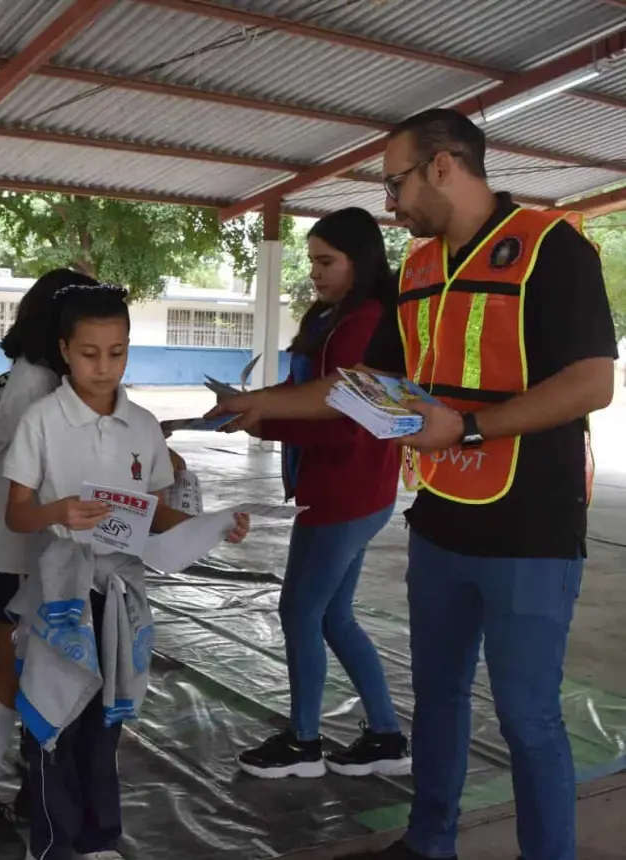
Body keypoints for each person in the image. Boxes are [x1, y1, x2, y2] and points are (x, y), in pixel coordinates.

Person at [211, 109, 615, 860]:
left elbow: (593, 383)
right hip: (440, 520)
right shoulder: (422, 270)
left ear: (443, 165)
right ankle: (428, 843)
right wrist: (260, 403)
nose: (390, 204)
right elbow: (366, 383)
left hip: (532, 528)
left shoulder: (550, 247)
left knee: (529, 718)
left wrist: (464, 428)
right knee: (438, 698)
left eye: (394, 182)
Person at [4, 283, 250, 860]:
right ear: (65, 350)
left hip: (120, 592)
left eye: (117, 352)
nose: (104, 366)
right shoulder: (42, 421)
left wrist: (215, 525)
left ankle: (98, 838)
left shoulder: (141, 425)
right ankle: (53, 843)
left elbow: (158, 510)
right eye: (90, 353)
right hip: (59, 592)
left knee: (105, 721)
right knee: (52, 720)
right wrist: (58, 511)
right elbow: (17, 514)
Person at [229, 208, 409, 781]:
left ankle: (304, 741)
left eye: (326, 261)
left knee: (300, 610)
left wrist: (264, 421)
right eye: (311, 260)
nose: (315, 271)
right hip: (346, 488)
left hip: (347, 488)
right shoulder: (331, 316)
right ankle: (385, 734)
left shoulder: (367, 322)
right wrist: (250, 403)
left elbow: (344, 416)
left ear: (361, 260)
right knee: (333, 616)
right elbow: (302, 390)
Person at [0, 269, 97, 858]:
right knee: (8, 669)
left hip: (45, 548)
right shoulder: (34, 383)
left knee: (31, 669)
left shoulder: (58, 381)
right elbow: (46, 465)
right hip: (15, 551)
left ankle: (11, 787)